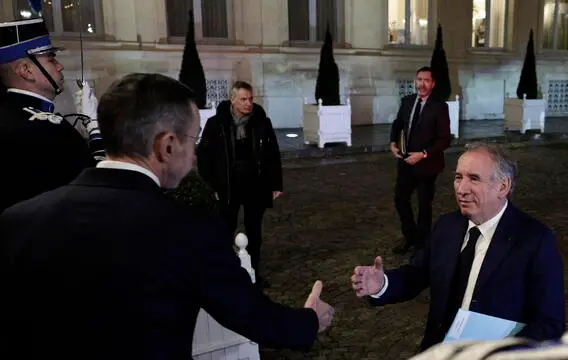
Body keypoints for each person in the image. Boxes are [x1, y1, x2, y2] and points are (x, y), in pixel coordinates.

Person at [1, 73, 333, 359]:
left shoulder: (18, 220)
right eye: (194, 139)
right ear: (168, 146)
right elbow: (249, 314)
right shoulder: (190, 230)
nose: (195, 151)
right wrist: (309, 321)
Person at [351, 142, 565, 352]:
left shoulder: (535, 240)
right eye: (458, 177)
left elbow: (550, 324)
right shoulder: (447, 226)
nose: (461, 189)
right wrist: (382, 284)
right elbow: (417, 273)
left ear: (503, 186)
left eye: (474, 178)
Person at [0, 18, 97, 213]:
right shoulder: (47, 129)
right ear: (26, 71)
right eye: (51, 59)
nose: (60, 66)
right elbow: (98, 186)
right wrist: (95, 129)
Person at [197, 80, 283, 288]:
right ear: (233, 100)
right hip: (227, 186)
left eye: (251, 99)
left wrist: (276, 184)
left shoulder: (262, 122)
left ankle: (255, 271)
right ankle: (227, 272)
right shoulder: (216, 124)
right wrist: (211, 187)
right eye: (243, 99)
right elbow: (204, 157)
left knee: (254, 231)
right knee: (226, 229)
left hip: (256, 185)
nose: (248, 103)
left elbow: (272, 155)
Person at [389, 66, 451, 255]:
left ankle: (422, 245)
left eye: (426, 80)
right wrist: (392, 142)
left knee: (424, 205)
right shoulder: (407, 101)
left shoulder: (440, 106)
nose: (421, 84)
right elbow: (398, 123)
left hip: (427, 164)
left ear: (432, 84)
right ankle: (410, 237)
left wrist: (423, 154)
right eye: (419, 79)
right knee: (400, 200)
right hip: (406, 161)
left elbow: (444, 139)